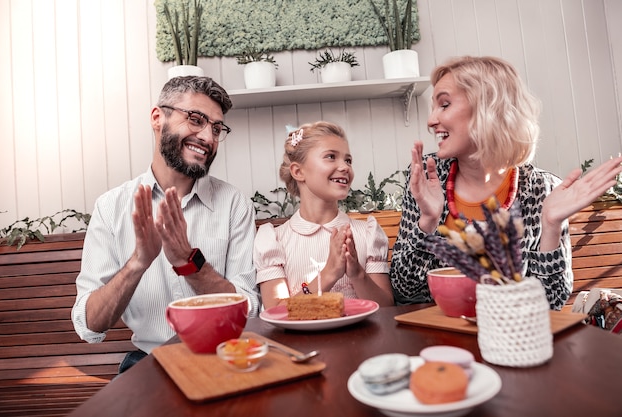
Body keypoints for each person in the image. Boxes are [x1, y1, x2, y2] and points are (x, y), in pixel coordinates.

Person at [389, 55, 622, 311]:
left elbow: (551, 302)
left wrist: (551, 225)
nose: (431, 120)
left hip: (511, 340)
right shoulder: (428, 179)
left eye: (444, 105)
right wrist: (428, 222)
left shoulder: (540, 189)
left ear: (488, 108)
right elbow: (405, 291)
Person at [72, 76, 259, 373]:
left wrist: (189, 263)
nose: (209, 138)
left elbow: (249, 309)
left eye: (217, 128)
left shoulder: (234, 205)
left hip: (225, 357)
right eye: (196, 120)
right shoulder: (110, 207)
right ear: (158, 118)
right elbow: (89, 324)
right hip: (148, 361)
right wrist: (137, 262)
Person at [254, 122, 394, 309]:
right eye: (330, 157)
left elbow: (385, 308)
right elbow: (276, 311)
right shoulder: (274, 240)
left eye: (348, 160)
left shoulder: (367, 234)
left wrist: (357, 274)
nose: (344, 167)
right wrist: (328, 274)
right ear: (298, 171)